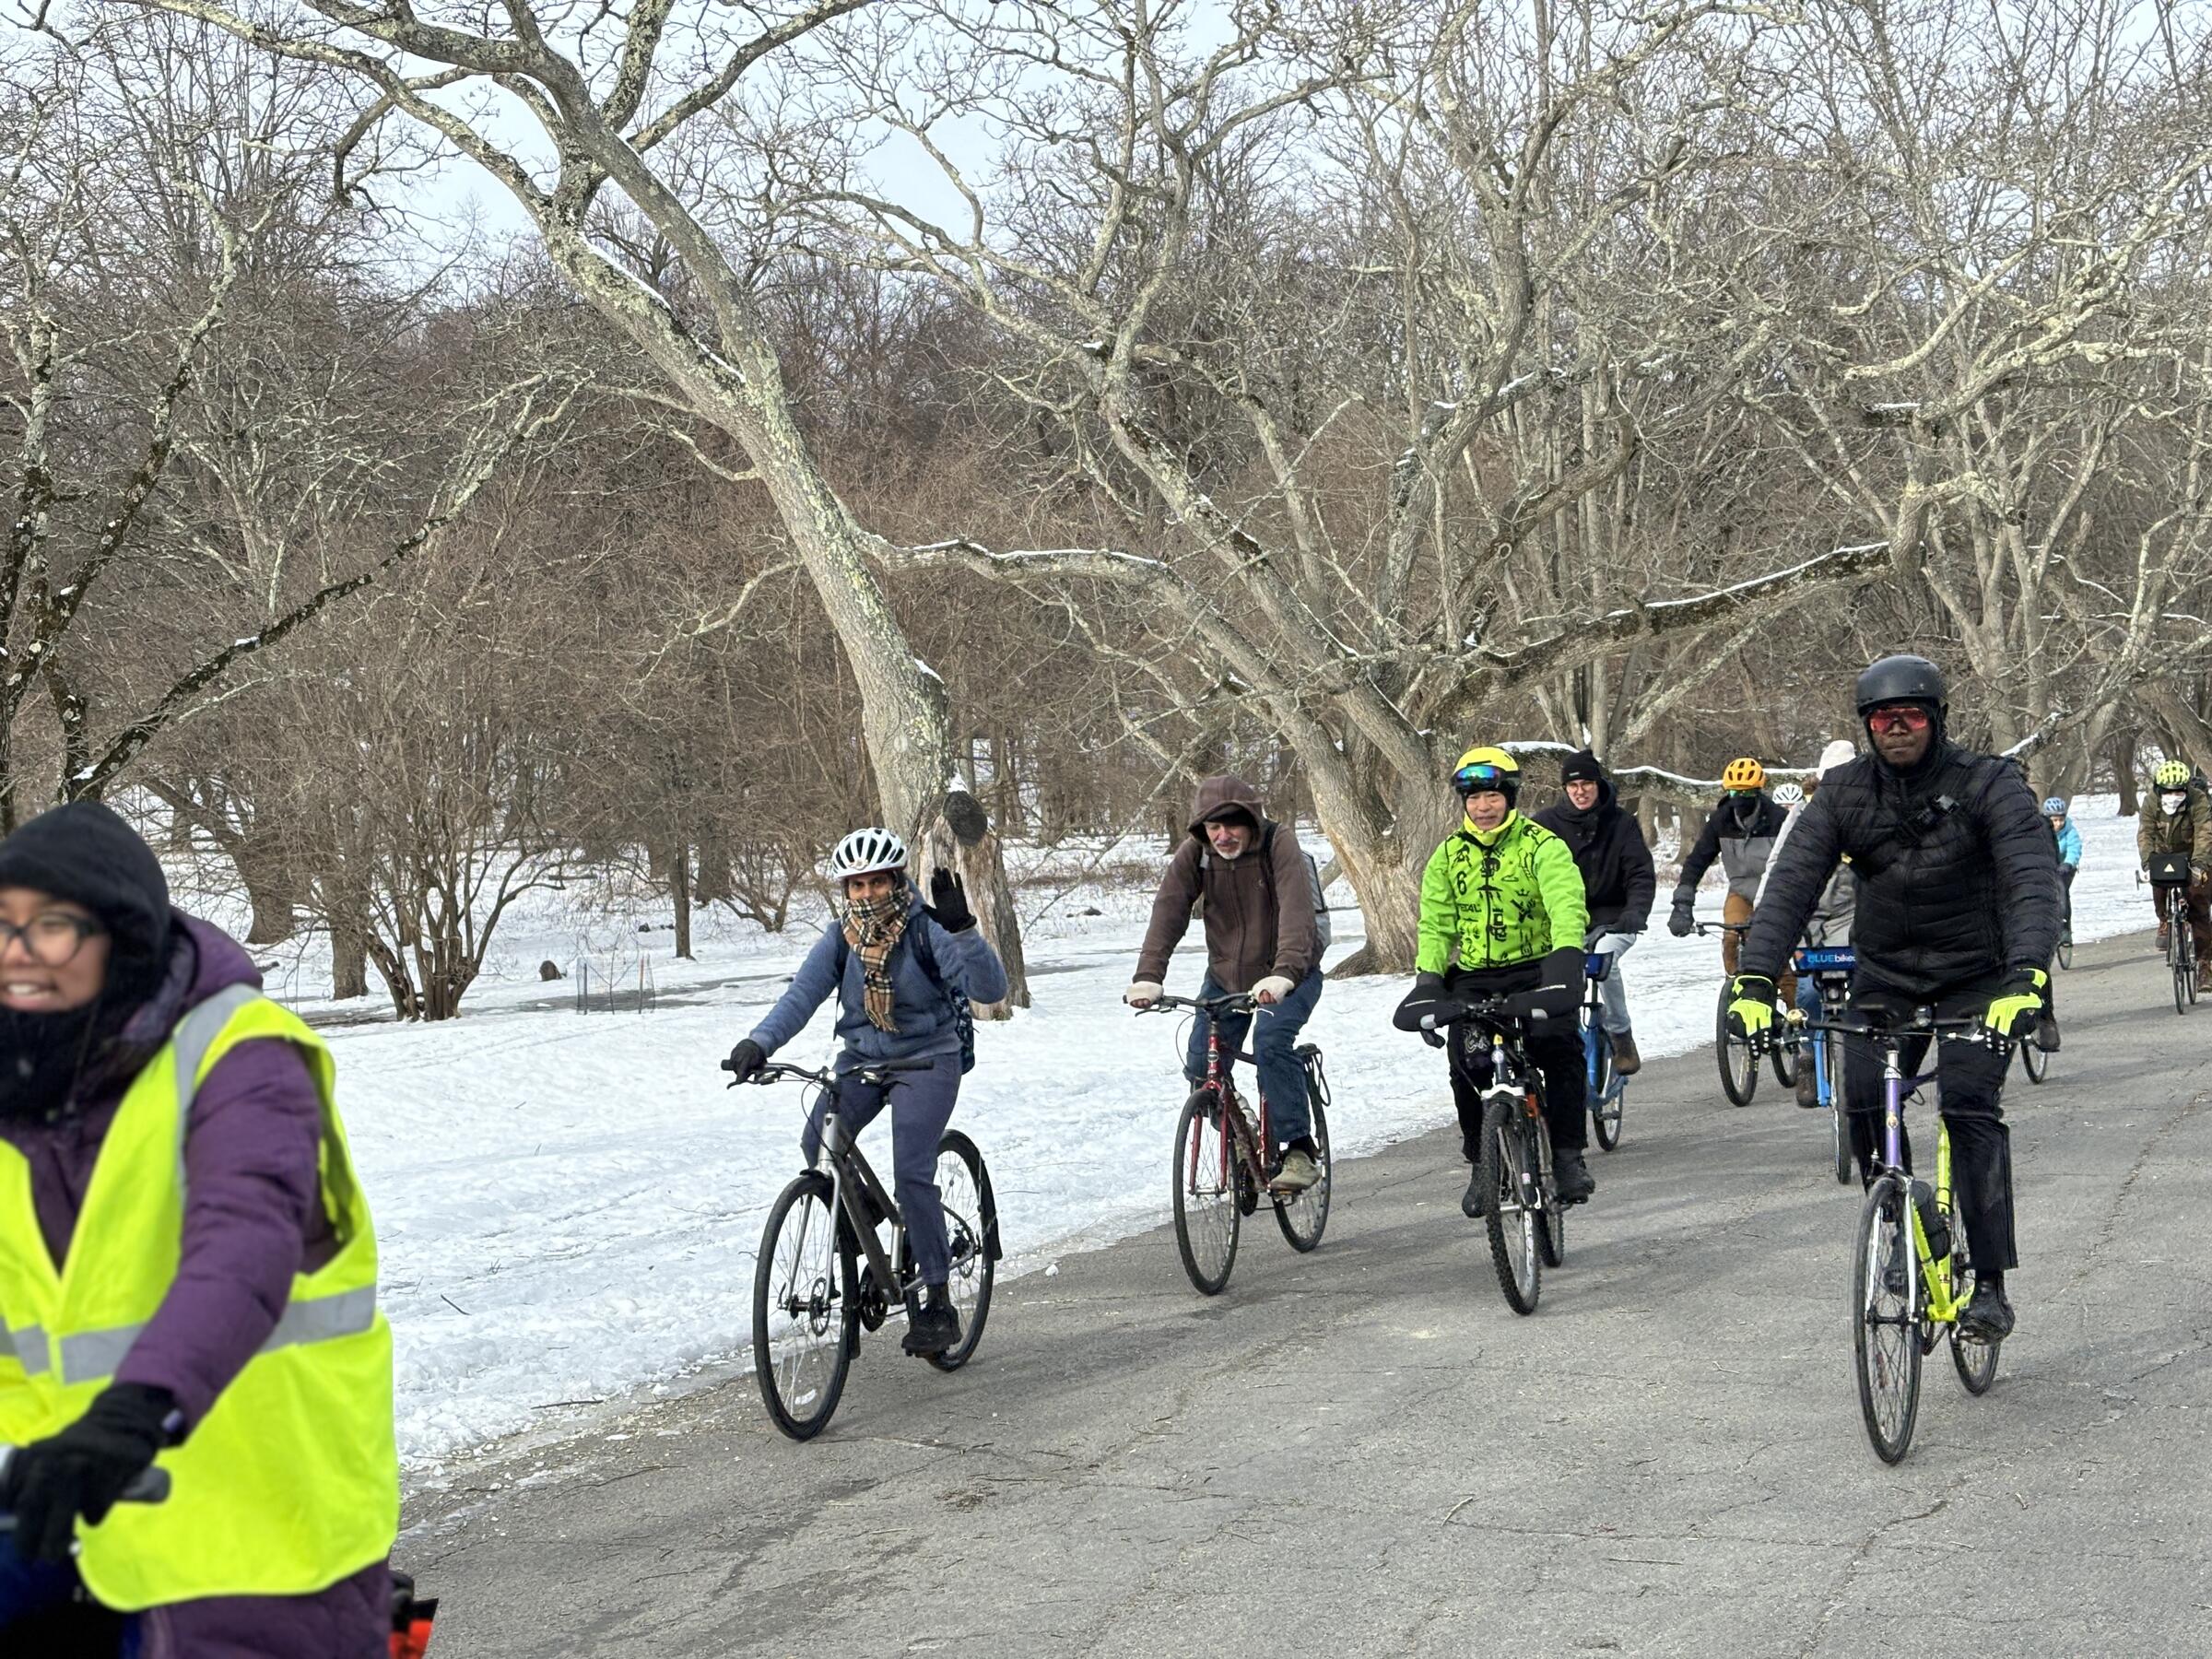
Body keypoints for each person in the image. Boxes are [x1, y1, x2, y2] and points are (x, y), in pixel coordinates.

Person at [0, 801, 397, 1656]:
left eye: (54, 927)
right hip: (90, 1526)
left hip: (269, 1532)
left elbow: (244, 1246)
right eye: (1, 927)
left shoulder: (241, 1054)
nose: (17, 953)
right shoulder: (21, 1092)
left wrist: (138, 1408)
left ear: (125, 938)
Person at [1731, 655, 2060, 1342]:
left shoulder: (1987, 783)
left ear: (1936, 719)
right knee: (1858, 1095)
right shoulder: (1844, 794)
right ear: (1868, 726)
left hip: (1978, 976)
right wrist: (1756, 980)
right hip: (1885, 979)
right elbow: (1790, 885)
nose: (1898, 726)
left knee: (1969, 1108)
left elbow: (2032, 879)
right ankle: (1903, 1224)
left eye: (1912, 715)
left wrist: (2028, 975)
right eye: (1884, 717)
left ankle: (1991, 1286)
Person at [729, 827, 1007, 1355]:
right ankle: (861, 1223)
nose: (867, 896)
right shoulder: (842, 938)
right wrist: (758, 1042)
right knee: (819, 1142)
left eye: (876, 883)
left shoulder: (928, 930)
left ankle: (938, 1303)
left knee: (911, 1172)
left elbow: (991, 990)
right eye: (856, 886)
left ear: (895, 881)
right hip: (861, 1060)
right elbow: (802, 996)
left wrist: (964, 929)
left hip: (928, 1060)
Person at [1407, 747, 1593, 1216]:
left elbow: (1565, 904)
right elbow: (1436, 927)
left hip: (1538, 967)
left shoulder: (1542, 845)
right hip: (1474, 974)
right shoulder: (1447, 857)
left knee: (1559, 1045)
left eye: (1492, 796)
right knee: (1466, 1061)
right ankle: (1482, 1161)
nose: (1483, 807)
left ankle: (1569, 1155)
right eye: (1474, 799)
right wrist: (1429, 980)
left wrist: (1568, 958)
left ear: (1509, 797)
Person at [1124, 777, 1324, 1191]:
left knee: (1270, 1044)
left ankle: (1300, 1150)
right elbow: (1169, 911)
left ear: (1251, 821)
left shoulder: (1277, 844)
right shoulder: (1196, 854)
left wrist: (1285, 973)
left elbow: (1297, 913)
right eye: (1213, 827)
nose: (1223, 835)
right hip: (1226, 977)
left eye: (1232, 824)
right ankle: (1237, 1127)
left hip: (1290, 971)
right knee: (1201, 1063)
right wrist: (1148, 976)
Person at [1532, 749, 1655, 1073]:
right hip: (1561, 920)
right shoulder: (1544, 824)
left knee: (1604, 961)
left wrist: (1635, 912)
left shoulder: (1622, 823)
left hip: (1614, 919)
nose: (1580, 791)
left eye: (1587, 783)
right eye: (1572, 786)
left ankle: (1620, 1034)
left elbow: (1640, 874)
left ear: (1599, 784)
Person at [1760, 740, 1860, 1106]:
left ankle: (1861, 1055)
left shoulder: (1866, 809)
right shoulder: (1801, 814)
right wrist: (1764, 910)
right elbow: (1777, 864)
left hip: (1849, 913)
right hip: (1806, 913)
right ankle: (1806, 1055)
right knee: (1806, 992)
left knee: (1858, 978)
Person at [1668, 757, 1797, 1011]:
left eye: (1748, 792)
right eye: (1736, 792)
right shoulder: (1720, 821)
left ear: (1759, 790)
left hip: (1773, 891)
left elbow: (1796, 861)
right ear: (1727, 791)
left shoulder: (1779, 818)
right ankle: (1739, 994)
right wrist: (1682, 903)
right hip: (1740, 891)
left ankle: (1797, 1017)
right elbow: (1696, 861)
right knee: (1730, 938)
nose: (1742, 797)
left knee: (1774, 950)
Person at [2137, 759, 2212, 989]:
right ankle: (2164, 920)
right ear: (2159, 789)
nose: (2174, 795)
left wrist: (2199, 863)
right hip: (2162, 854)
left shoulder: (2198, 800)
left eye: (2179, 790)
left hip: (2192, 856)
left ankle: (2205, 966)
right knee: (2158, 885)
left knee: (2199, 903)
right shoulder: (2151, 802)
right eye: (2169, 791)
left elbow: (2205, 832)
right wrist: (2148, 861)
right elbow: (2145, 833)